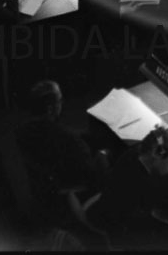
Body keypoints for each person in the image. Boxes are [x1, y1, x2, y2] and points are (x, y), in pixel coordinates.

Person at [87, 127, 168, 246]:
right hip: (114, 231)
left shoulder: (134, 153)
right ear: (157, 154)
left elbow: (159, 150)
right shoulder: (148, 186)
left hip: (99, 210)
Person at [14, 81, 105, 217]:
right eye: (60, 101)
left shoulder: (21, 131)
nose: (62, 104)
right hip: (69, 188)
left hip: (46, 182)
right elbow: (91, 173)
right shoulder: (68, 139)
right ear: (51, 108)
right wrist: (101, 158)